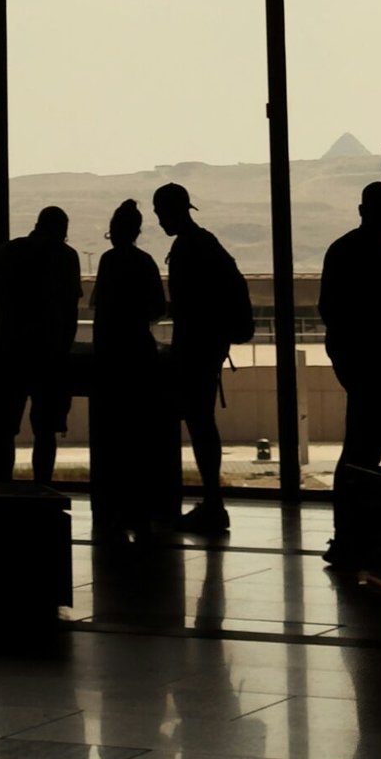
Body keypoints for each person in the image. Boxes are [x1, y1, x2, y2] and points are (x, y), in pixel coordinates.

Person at [318, 180, 381, 570]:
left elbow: (332, 312)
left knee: (363, 457)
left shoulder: (347, 251)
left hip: (371, 376)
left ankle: (355, 539)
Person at [152, 181, 238, 533]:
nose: (159, 222)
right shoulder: (206, 243)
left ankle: (212, 504)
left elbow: (188, 307)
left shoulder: (187, 249)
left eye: (161, 214)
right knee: (202, 423)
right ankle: (212, 501)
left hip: (195, 348)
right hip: (209, 346)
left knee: (199, 424)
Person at [0, 204, 83, 484]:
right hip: (49, 356)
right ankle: (42, 490)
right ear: (63, 231)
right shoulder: (66, 258)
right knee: (46, 430)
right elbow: (71, 312)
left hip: (9, 352)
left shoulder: (9, 252)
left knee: (3, 428)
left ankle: (3, 491)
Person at [90, 198, 171, 539]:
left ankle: (113, 507)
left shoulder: (108, 263)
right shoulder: (145, 263)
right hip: (139, 352)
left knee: (113, 436)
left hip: (111, 355)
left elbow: (100, 310)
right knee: (140, 435)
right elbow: (157, 307)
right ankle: (141, 507)